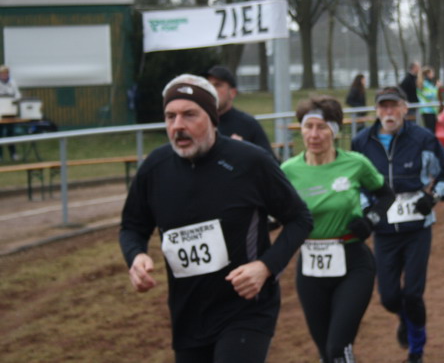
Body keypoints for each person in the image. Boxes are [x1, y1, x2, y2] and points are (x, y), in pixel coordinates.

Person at [119, 74, 313, 363]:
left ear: (211, 118)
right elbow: (132, 226)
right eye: (170, 116)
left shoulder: (250, 161)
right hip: (188, 314)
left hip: (246, 308)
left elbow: (299, 219)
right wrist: (135, 256)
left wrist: (265, 267)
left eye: (189, 115)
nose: (178, 126)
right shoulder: (154, 168)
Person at [280, 96, 395, 363]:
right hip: (310, 266)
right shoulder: (287, 171)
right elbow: (275, 214)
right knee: (325, 353)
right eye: (308, 127)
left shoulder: (356, 163)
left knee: (338, 348)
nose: (314, 135)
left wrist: (370, 220)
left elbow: (386, 196)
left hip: (353, 262)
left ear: (334, 130)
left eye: (321, 127)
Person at [351, 86, 444, 363]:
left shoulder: (423, 139)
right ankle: (406, 319)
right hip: (384, 230)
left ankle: (416, 351)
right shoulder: (361, 142)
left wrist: (433, 197)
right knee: (388, 297)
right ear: (376, 110)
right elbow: (356, 183)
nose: (389, 112)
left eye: (394, 106)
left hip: (417, 230)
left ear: (404, 108)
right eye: (383, 106)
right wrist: (368, 209)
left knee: (412, 293)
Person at [205, 65, 277, 161]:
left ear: (232, 93)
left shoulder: (248, 124)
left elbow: (271, 162)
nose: (211, 90)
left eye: (218, 85)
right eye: (208, 86)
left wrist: (243, 150)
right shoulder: (200, 123)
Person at [0, 65, 22, 162]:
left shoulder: (12, 82)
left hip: (10, 111)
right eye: (2, 73)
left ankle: (13, 154)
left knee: (10, 133)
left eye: (5, 73)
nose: (4, 75)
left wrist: (14, 99)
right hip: (0, 112)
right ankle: (0, 156)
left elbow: (18, 94)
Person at [416, 66, 440, 133]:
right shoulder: (424, 84)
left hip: (431, 110)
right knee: (430, 130)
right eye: (432, 73)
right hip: (427, 110)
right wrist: (437, 87)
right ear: (428, 74)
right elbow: (430, 96)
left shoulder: (428, 84)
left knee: (432, 129)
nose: (433, 74)